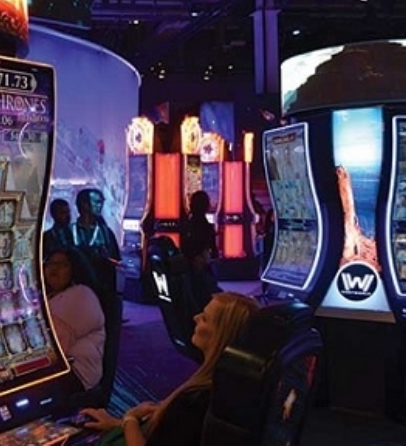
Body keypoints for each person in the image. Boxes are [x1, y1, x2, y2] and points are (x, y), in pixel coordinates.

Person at [78, 291, 260, 446]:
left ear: (221, 335)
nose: (195, 318)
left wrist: (130, 419)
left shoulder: (197, 399)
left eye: (205, 318)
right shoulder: (227, 386)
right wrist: (117, 423)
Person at [44, 248, 106, 391]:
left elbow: (57, 342)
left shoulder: (81, 294)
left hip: (76, 373)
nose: (54, 268)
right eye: (50, 263)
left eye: (62, 264)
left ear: (74, 269)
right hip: (58, 368)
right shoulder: (49, 296)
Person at [71, 188, 122, 295]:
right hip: (74, 290)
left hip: (101, 291)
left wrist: (104, 258)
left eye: (101, 202)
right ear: (84, 204)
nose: (100, 206)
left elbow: (117, 261)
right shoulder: (69, 231)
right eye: (97, 202)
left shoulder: (106, 233)